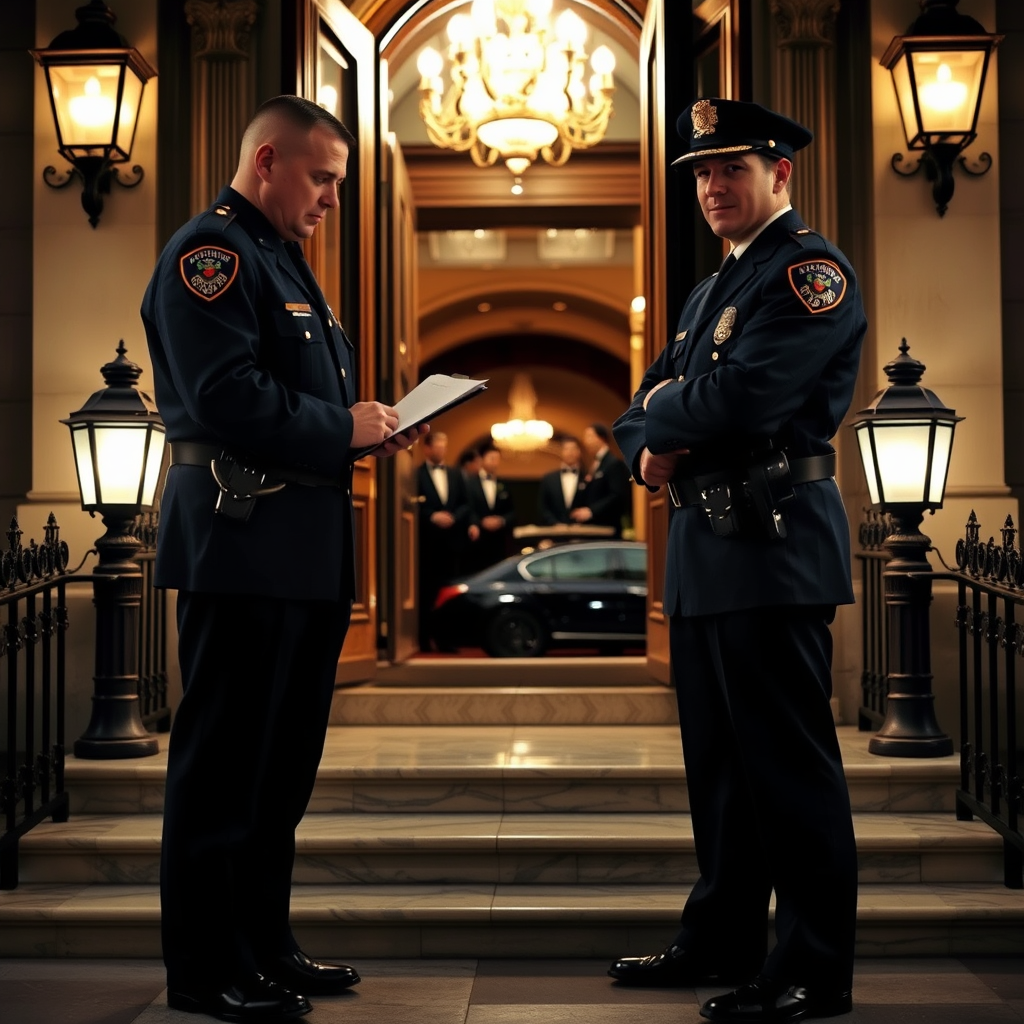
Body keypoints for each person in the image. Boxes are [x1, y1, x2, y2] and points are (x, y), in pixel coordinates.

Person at [141, 95, 426, 1023]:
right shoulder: (211, 256)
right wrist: (339, 425)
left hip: (296, 550)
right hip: (243, 541)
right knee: (223, 768)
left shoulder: (283, 263)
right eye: (324, 178)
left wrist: (362, 431)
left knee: (279, 771)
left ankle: (264, 945)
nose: (333, 199)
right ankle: (204, 968)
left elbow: (293, 403)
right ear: (267, 161)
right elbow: (225, 396)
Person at [608, 98, 866, 1023]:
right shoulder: (712, 288)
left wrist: (671, 411)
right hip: (708, 551)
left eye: (733, 170)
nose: (714, 186)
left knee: (787, 770)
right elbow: (637, 408)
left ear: (779, 175)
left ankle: (812, 968)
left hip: (772, 541)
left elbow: (751, 398)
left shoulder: (809, 273)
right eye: (703, 173)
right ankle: (721, 937)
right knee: (720, 769)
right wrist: (647, 440)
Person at [416, 430, 472, 649]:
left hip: (452, 542)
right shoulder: (415, 474)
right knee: (426, 591)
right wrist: (432, 516)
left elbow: (466, 504)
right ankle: (423, 640)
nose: (442, 449)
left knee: (451, 591)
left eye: (444, 445)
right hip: (427, 542)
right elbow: (410, 505)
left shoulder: (456, 474)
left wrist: (453, 517)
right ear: (427, 448)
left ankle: (448, 639)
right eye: (438, 445)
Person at [465, 444, 516, 572]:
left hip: (500, 540)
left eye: (497, 459)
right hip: (477, 540)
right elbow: (467, 507)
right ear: (482, 459)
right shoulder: (469, 483)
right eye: (491, 458)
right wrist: (479, 522)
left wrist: (501, 520)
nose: (495, 462)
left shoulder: (503, 484)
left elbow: (512, 512)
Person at [574, 423, 630, 535]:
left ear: (601, 438)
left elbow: (617, 495)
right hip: (595, 528)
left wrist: (591, 511)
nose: (586, 441)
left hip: (607, 527)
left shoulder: (613, 463)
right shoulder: (596, 463)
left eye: (589, 436)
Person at [537, 436, 585, 526]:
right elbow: (543, 507)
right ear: (561, 452)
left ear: (579, 452)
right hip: (554, 532)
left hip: (582, 531)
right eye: (566, 449)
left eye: (573, 449)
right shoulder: (549, 479)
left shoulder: (587, 477)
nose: (570, 453)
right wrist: (554, 523)